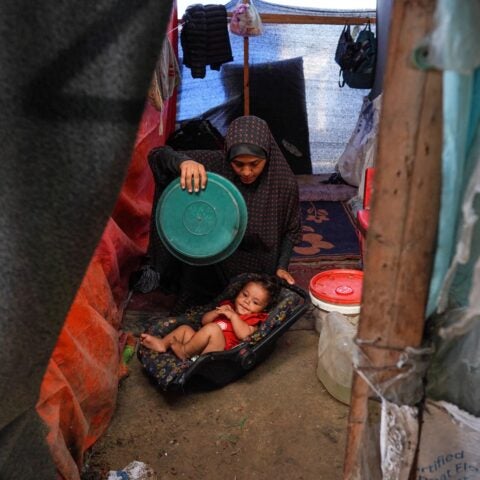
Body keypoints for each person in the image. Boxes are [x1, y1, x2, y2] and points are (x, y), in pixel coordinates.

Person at [137, 115, 301, 311]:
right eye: (238, 164)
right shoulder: (216, 164)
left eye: (255, 164)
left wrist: (281, 266)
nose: (246, 172)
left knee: (253, 309)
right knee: (196, 308)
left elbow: (291, 231)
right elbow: (157, 155)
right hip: (214, 258)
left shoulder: (284, 183)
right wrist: (183, 163)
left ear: (268, 155)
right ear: (228, 156)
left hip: (258, 264)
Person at [139, 274, 280, 359]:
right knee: (185, 328)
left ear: (263, 308)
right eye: (244, 295)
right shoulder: (227, 306)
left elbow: (245, 336)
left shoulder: (254, 319)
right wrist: (217, 312)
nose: (247, 301)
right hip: (199, 345)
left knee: (213, 329)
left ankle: (184, 352)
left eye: (255, 302)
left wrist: (233, 317)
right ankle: (162, 344)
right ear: (239, 292)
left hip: (220, 353)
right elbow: (204, 321)